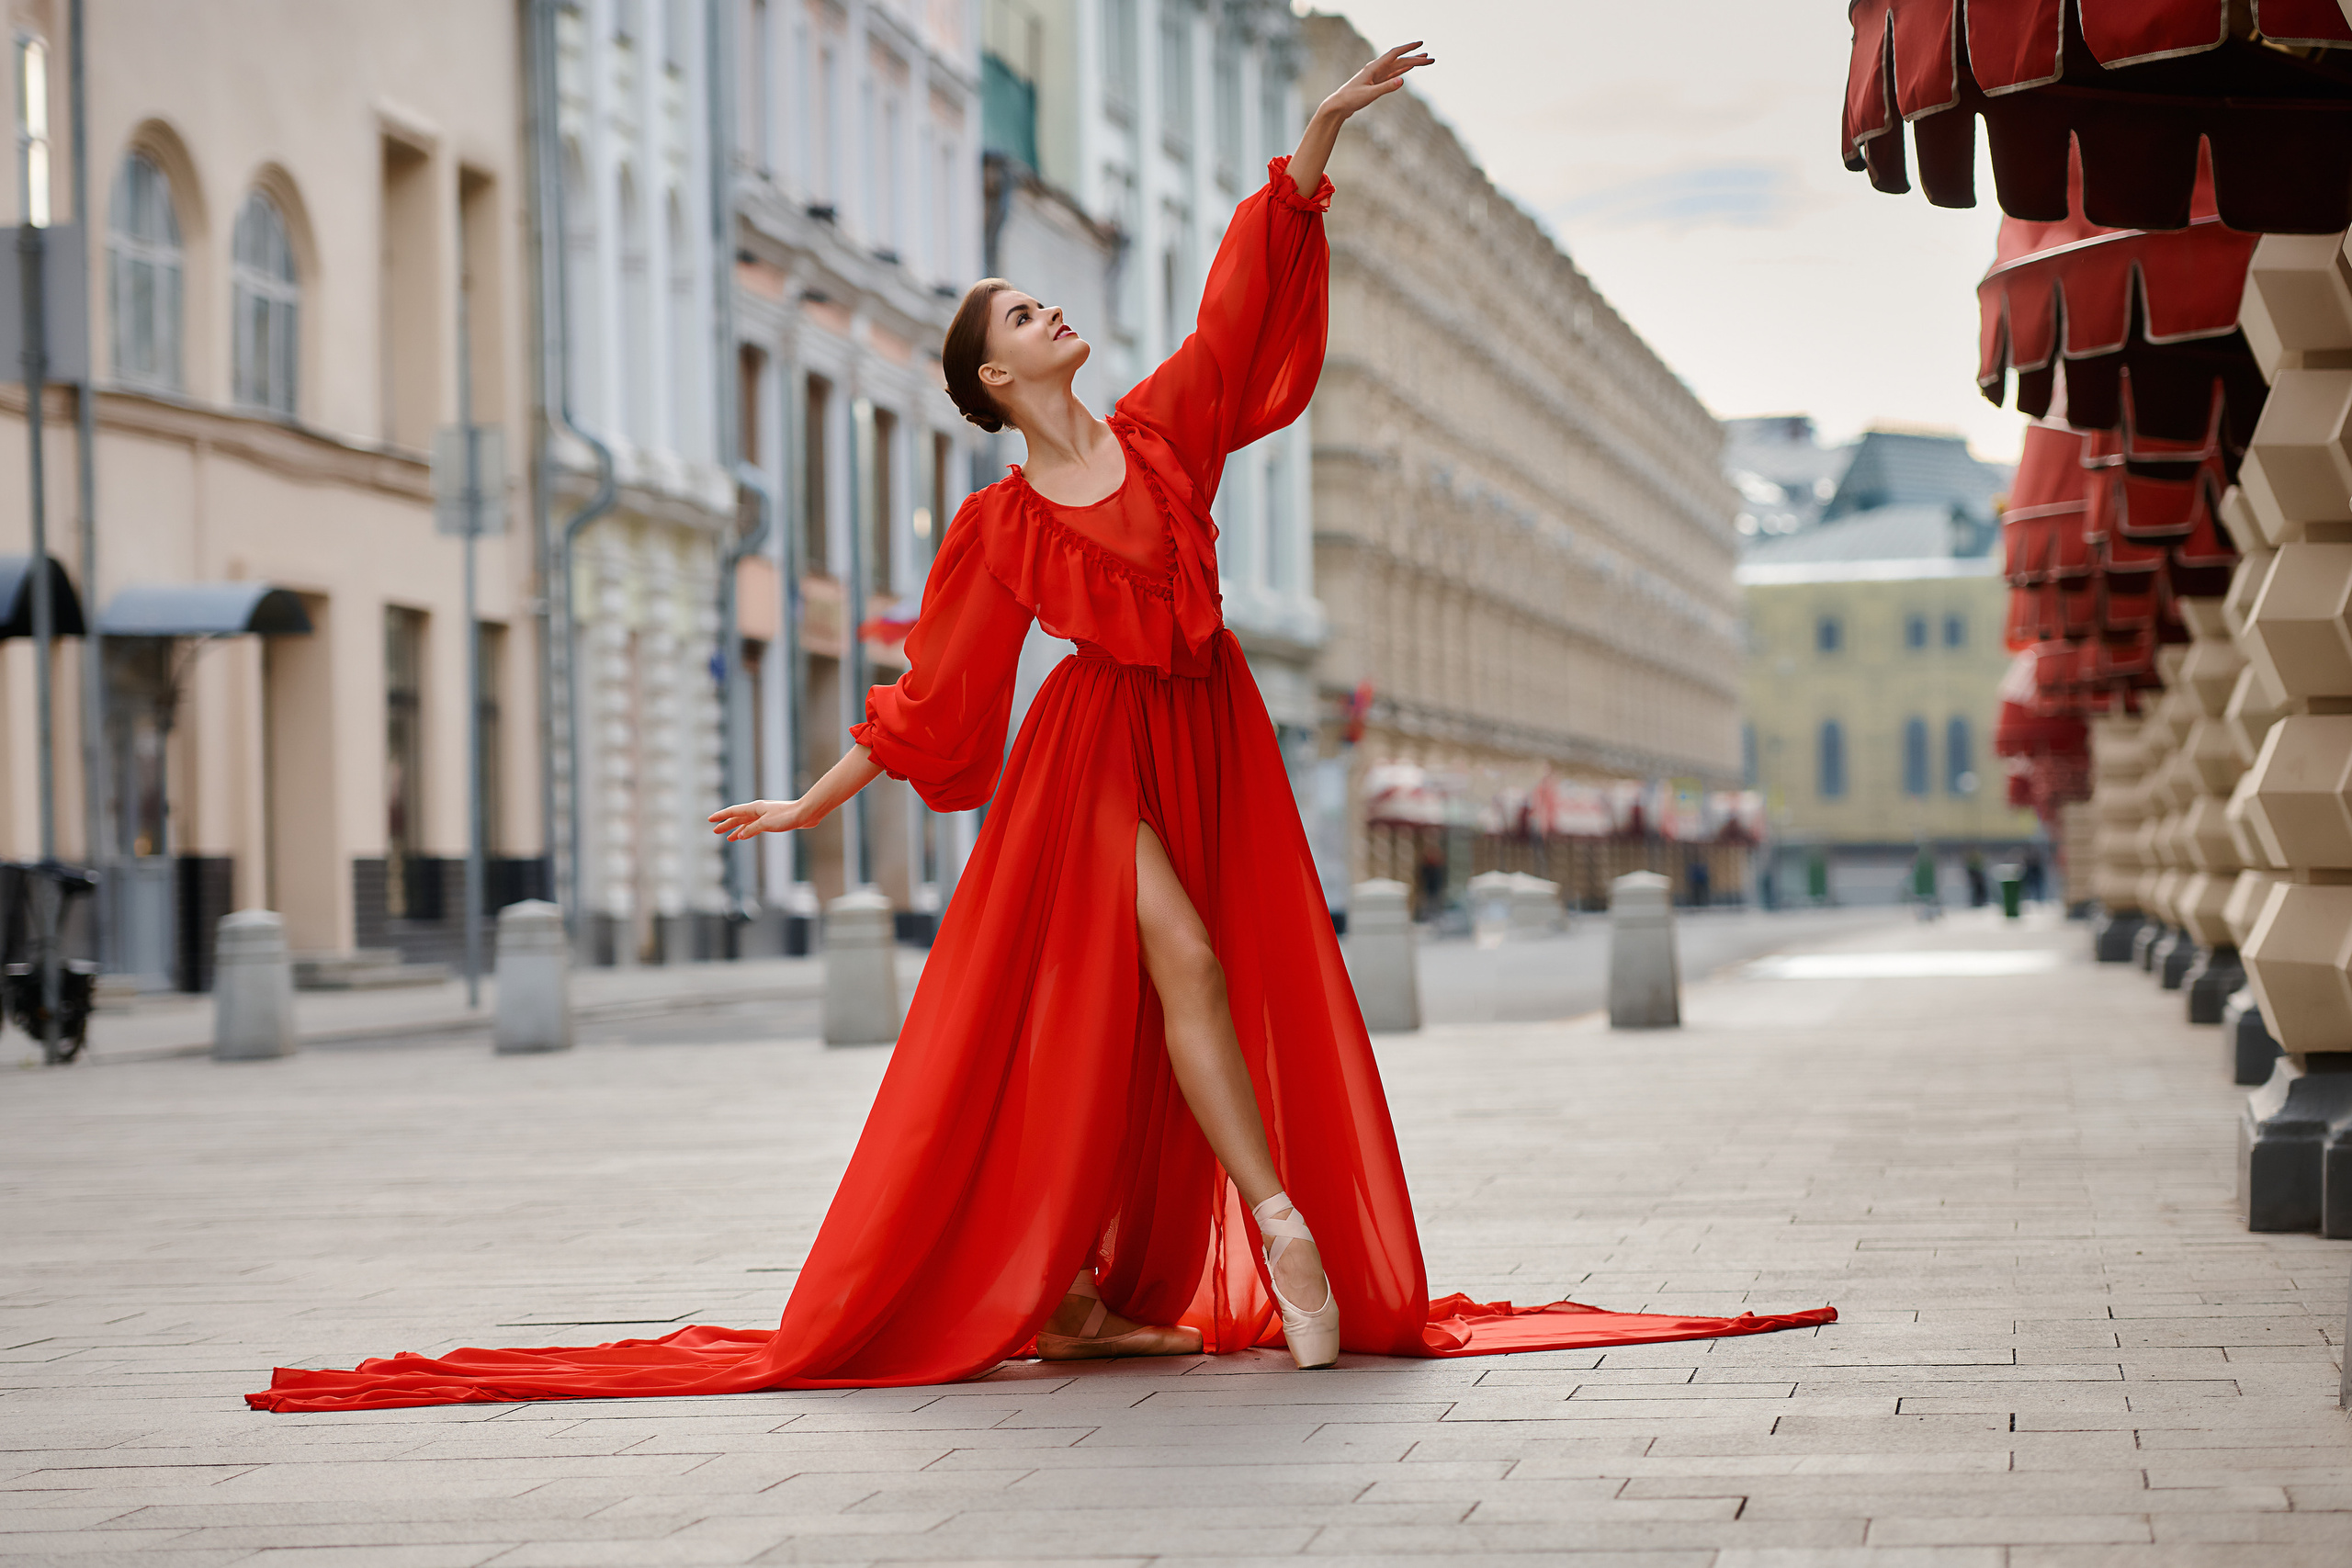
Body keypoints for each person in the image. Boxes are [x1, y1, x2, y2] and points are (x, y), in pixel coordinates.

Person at [247, 42, 1830, 1415]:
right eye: (1023, 308)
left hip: (1210, 730)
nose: (1052, 308)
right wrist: (812, 804)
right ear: (994, 372)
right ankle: (1281, 1233)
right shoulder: (997, 526)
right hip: (1090, 760)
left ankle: (1094, 1285)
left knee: (1215, 976)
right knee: (1188, 965)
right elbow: (940, 692)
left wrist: (1320, 146)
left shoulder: (1157, 438)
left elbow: (1237, 321)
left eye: (1043, 295)